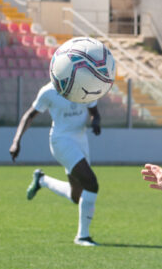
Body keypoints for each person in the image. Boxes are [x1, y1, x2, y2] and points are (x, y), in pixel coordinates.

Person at [9, 81, 103, 246]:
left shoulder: (85, 83)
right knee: (91, 183)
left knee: (77, 197)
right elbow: (29, 116)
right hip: (61, 141)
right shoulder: (48, 91)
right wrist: (16, 141)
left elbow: (94, 112)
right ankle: (83, 236)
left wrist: (95, 121)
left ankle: (42, 180)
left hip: (81, 140)